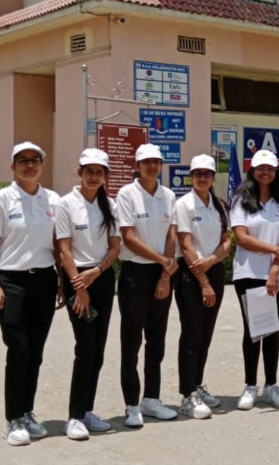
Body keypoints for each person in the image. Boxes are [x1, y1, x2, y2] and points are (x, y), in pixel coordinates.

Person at [0, 141, 61, 446]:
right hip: (10, 282)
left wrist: (63, 284)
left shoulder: (52, 199)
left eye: (35, 160)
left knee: (36, 352)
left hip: (44, 280)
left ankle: (27, 412)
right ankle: (13, 419)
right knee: (19, 348)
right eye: (23, 160)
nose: (29, 165)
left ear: (42, 164)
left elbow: (59, 244)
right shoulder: (3, 199)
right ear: (13, 167)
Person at [55, 148, 121, 439]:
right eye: (89, 171)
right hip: (76, 277)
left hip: (102, 278)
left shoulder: (111, 205)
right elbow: (64, 249)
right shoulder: (66, 204)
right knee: (85, 348)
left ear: (106, 176)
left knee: (98, 350)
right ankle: (74, 416)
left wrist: (99, 271)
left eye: (100, 172)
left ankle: (87, 410)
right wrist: (79, 286)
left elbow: (115, 246)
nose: (94, 176)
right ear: (79, 172)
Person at [115, 143, 178, 427]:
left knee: (157, 339)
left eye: (156, 162)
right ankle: (131, 404)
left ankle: (152, 399)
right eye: (146, 162)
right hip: (135, 274)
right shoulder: (127, 194)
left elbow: (171, 235)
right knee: (131, 341)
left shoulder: (168, 195)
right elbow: (128, 238)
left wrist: (165, 274)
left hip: (162, 274)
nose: (152, 166)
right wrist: (162, 261)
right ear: (137, 165)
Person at [230, 150, 279, 410]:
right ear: (253, 171)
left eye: (270, 169)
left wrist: (275, 270)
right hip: (248, 273)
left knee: (272, 329)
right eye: (260, 169)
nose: (265, 173)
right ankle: (250, 385)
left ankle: (271, 385)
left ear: (276, 172)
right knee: (253, 331)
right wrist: (274, 252)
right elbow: (242, 238)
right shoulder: (240, 201)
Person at [173, 154, 232, 419]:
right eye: (197, 174)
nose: (202, 178)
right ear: (191, 176)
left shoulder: (219, 205)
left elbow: (227, 241)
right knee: (191, 333)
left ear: (213, 178)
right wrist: (203, 279)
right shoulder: (183, 204)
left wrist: (211, 261)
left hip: (212, 268)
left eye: (207, 174)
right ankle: (187, 395)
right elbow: (185, 244)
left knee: (206, 333)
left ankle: (197, 384)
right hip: (192, 273)